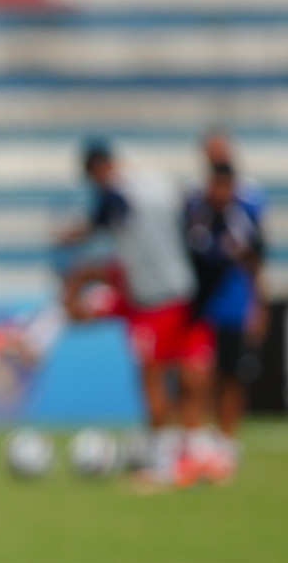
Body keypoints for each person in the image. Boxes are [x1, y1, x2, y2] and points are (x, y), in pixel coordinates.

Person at [60, 140, 215, 486]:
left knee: (153, 379)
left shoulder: (116, 194)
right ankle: (194, 453)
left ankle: (163, 459)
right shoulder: (157, 182)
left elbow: (105, 215)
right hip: (184, 290)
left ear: (98, 170)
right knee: (191, 376)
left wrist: (76, 234)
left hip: (150, 299)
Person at [185, 162, 265, 461]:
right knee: (198, 376)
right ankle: (199, 437)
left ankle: (227, 438)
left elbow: (255, 264)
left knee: (231, 375)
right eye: (215, 185)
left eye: (225, 185)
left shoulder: (242, 220)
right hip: (202, 310)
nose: (219, 191)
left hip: (233, 308)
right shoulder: (196, 218)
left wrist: (257, 306)